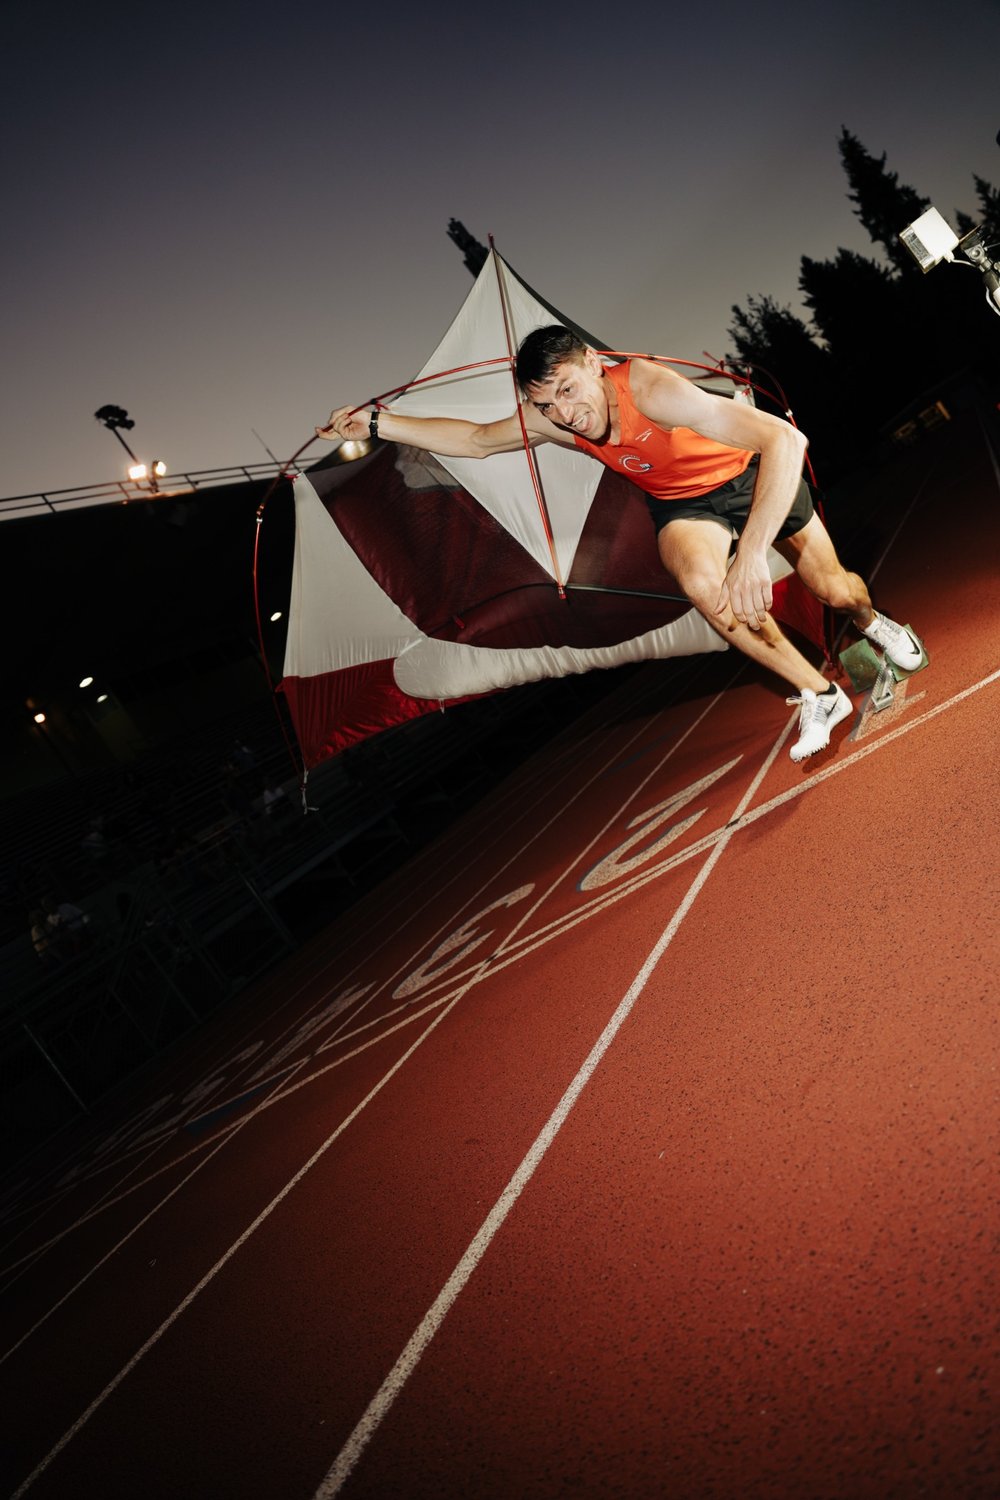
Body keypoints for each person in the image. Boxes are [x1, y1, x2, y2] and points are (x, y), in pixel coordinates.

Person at [318, 326, 924, 763]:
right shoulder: (555, 418)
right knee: (704, 589)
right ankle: (820, 694)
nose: (566, 413)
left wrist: (749, 555)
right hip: (683, 504)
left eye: (568, 389)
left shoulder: (653, 391)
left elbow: (785, 443)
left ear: (592, 361)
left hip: (749, 475)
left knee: (834, 589)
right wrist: (376, 422)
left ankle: (873, 623)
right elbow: (476, 439)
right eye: (546, 403)